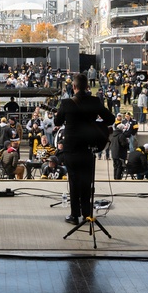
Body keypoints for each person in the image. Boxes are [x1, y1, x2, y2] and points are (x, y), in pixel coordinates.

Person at [53, 73, 114, 225]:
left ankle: (74, 215)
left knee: (74, 181)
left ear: (73, 87)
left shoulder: (66, 103)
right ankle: (87, 213)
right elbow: (111, 119)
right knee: (87, 181)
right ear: (87, 87)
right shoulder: (94, 101)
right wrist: (97, 123)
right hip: (88, 148)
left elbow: (57, 121)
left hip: (71, 148)